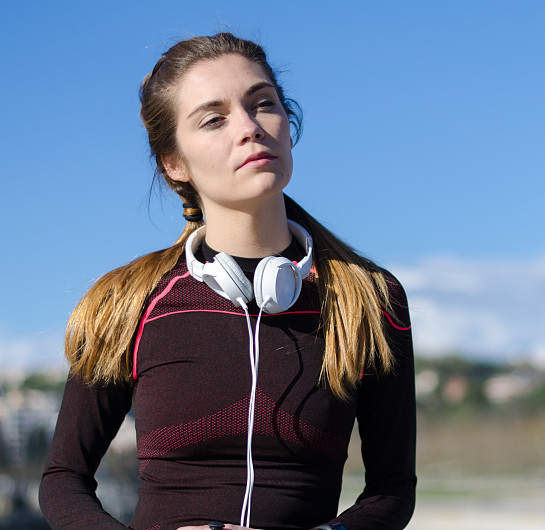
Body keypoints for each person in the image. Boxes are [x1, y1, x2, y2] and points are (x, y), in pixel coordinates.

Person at [39, 33, 416, 530]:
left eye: (263, 104)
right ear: (174, 163)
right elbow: (63, 480)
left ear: (288, 125)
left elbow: (392, 488)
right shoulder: (125, 303)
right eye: (214, 119)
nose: (249, 128)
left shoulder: (369, 299)